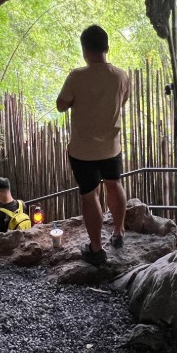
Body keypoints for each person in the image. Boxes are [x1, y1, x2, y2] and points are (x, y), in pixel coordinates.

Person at [56, 24, 131, 266]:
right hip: (111, 146)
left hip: (83, 150)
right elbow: (124, 99)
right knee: (114, 184)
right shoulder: (121, 75)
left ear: (84, 50)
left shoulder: (77, 76)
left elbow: (61, 104)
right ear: (106, 48)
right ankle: (118, 232)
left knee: (90, 196)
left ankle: (96, 248)